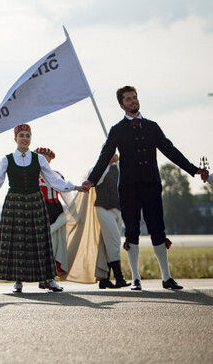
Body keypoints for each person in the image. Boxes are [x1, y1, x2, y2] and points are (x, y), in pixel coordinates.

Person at [82, 86, 209, 291]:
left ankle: (167, 278)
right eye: (129, 99)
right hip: (129, 189)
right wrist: (91, 181)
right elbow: (105, 156)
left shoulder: (152, 127)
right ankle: (136, 279)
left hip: (151, 186)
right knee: (131, 231)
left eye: (135, 98)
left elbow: (171, 151)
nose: (133, 101)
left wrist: (194, 170)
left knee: (158, 229)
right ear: (122, 105)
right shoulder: (117, 130)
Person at [0, 124, 84, 293]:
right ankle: (18, 281)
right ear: (15, 138)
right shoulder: (6, 159)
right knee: (17, 241)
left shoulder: (39, 159)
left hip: (35, 202)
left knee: (41, 241)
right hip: (14, 202)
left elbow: (55, 181)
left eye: (28, 136)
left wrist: (75, 186)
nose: (25, 139)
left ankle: (50, 279)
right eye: (21, 135)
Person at [92, 154, 130, 289]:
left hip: (118, 209)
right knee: (114, 241)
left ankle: (104, 279)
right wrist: (107, 164)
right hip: (103, 208)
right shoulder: (97, 169)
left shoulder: (118, 168)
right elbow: (97, 181)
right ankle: (119, 277)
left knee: (108, 243)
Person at [34, 147, 69, 277]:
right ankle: (44, 272)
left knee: (57, 240)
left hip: (56, 209)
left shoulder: (57, 174)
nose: (43, 159)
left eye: (46, 157)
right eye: (40, 156)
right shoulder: (33, 174)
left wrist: (73, 209)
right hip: (40, 209)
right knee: (44, 241)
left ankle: (54, 270)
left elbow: (65, 193)